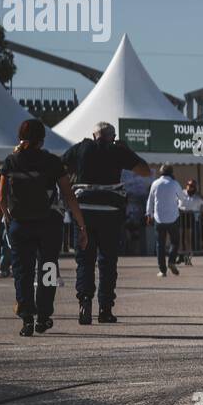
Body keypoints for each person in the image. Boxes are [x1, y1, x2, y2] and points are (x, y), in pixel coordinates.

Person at [0, 119, 88, 335]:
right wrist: (82, 226)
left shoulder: (11, 162)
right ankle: (44, 316)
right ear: (42, 139)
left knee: (22, 272)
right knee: (48, 269)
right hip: (48, 225)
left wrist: (0, 224)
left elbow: (2, 198)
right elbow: (69, 195)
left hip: (20, 225)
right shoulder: (52, 162)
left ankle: (26, 318)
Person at [64, 121, 150, 325]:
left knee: (84, 260)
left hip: (84, 212)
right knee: (107, 261)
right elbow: (145, 171)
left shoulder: (81, 147)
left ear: (94, 136)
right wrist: (126, 150)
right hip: (110, 214)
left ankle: (85, 301)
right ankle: (105, 309)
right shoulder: (118, 150)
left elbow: (60, 167)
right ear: (112, 136)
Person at [146, 164, 185, 277]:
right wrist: (178, 205)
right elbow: (182, 199)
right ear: (171, 173)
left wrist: (149, 214)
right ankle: (171, 261)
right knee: (175, 242)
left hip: (159, 219)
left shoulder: (155, 183)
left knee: (160, 245)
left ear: (161, 172)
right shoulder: (175, 183)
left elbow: (150, 200)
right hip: (173, 218)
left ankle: (162, 271)